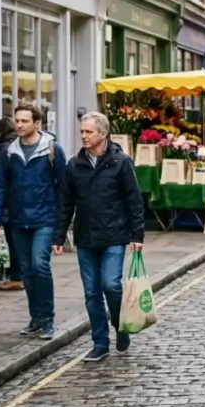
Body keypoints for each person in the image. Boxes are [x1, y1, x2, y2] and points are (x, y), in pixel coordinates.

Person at [52, 112, 145, 362]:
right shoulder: (74, 165)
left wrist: (137, 235)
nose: (84, 135)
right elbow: (65, 204)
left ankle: (120, 324)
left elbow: (134, 201)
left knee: (111, 285)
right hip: (85, 238)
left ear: (103, 134)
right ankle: (100, 343)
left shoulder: (121, 162)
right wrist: (58, 237)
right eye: (82, 131)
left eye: (89, 131)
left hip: (114, 235)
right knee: (92, 293)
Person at [0, 104, 66, 340]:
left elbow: (64, 186)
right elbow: (0, 186)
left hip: (45, 218)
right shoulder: (9, 152)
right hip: (18, 219)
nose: (19, 125)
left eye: (24, 121)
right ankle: (36, 318)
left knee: (39, 264)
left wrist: (64, 223)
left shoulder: (52, 149)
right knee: (26, 272)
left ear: (36, 124)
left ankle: (49, 319)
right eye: (17, 121)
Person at [0, 117, 23, 292]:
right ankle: (20, 276)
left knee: (12, 240)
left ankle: (17, 278)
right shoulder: (18, 144)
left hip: (8, 202)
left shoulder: (3, 147)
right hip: (20, 200)